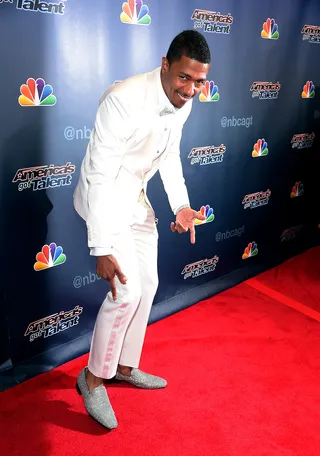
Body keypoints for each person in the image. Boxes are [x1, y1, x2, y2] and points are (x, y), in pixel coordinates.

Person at [73, 29, 211, 429]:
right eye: (184, 77)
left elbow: (169, 156)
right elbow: (99, 175)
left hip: (134, 196)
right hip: (105, 198)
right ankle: (92, 378)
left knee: (147, 284)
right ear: (166, 65)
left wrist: (181, 206)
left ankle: (122, 367)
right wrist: (100, 247)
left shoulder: (184, 101)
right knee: (125, 290)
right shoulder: (123, 99)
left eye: (199, 81)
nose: (190, 89)